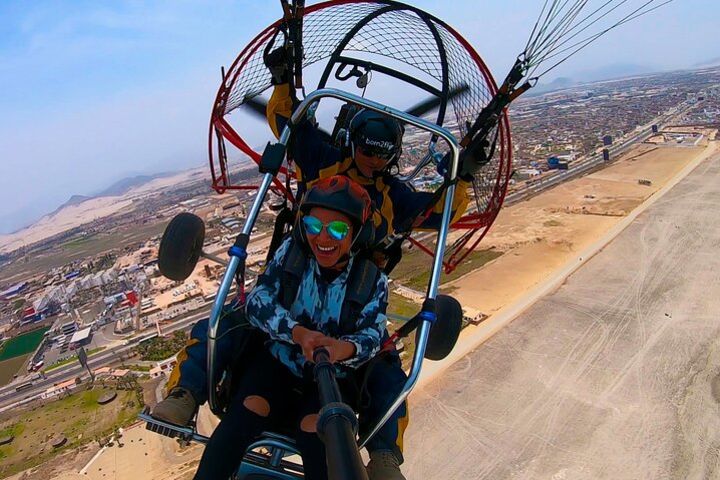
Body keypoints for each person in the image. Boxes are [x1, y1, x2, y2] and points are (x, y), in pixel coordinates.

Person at [153, 177, 408, 480]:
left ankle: (383, 453)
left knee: (320, 434)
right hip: (277, 362)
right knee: (243, 413)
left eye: (338, 229)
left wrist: (343, 349)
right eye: (313, 226)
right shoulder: (292, 256)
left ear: (356, 233)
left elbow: (373, 334)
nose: (323, 237)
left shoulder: (370, 280)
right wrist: (297, 333)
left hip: (331, 376)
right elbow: (259, 300)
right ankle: (186, 393)